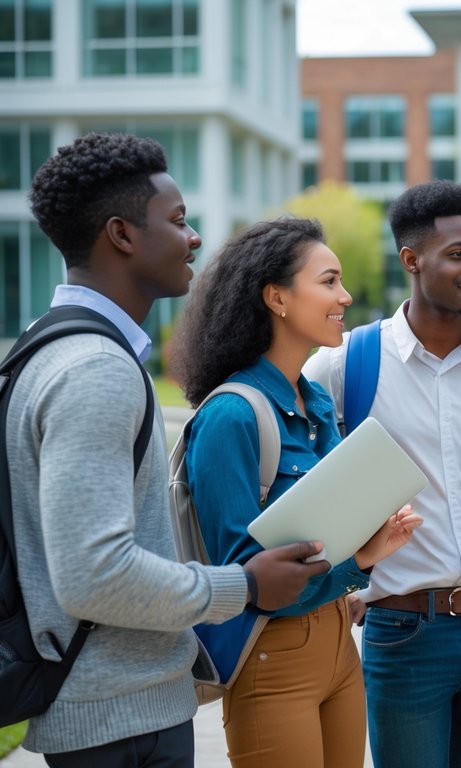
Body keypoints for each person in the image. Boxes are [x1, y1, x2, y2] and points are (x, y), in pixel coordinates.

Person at [10, 132, 328, 767]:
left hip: (116, 708)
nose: (195, 239)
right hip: (117, 719)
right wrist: (242, 584)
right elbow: (94, 574)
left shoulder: (44, 348)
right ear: (122, 235)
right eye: (179, 221)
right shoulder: (94, 369)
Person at [302, 180, 461, 768]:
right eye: (458, 255)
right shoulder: (343, 364)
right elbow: (298, 492)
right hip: (403, 633)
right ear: (412, 260)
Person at [170, 217, 422, 768]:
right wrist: (357, 562)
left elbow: (336, 528)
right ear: (277, 297)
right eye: (329, 281)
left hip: (339, 644)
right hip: (271, 655)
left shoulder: (318, 404)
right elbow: (248, 581)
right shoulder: (230, 416)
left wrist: (371, 541)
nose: (346, 296)